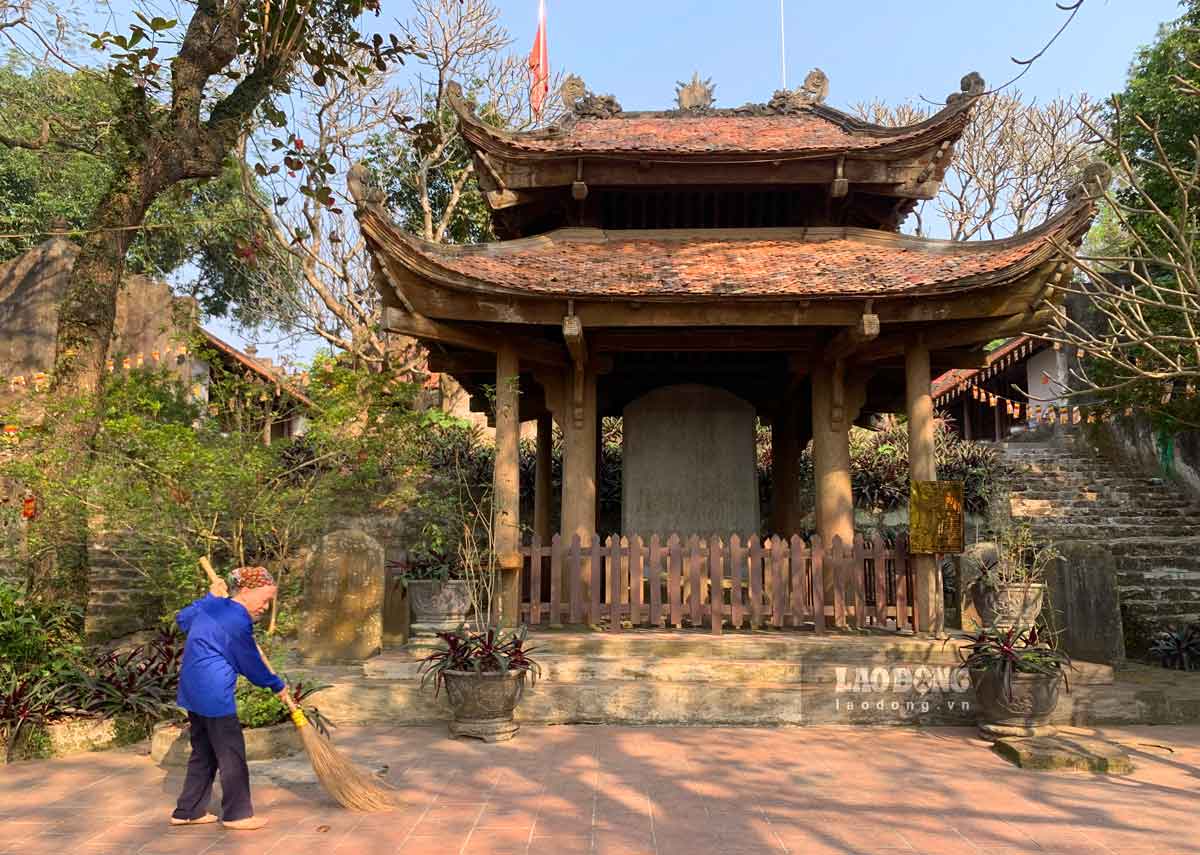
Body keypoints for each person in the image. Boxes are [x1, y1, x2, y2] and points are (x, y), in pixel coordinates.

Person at [169, 566, 289, 831]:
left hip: (193, 692)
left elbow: (183, 619)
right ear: (245, 592)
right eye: (265, 599)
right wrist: (276, 684)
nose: (266, 606)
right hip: (214, 696)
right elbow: (249, 662)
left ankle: (188, 811)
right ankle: (238, 815)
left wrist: (209, 598)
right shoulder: (235, 619)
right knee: (231, 755)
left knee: (204, 752)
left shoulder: (213, 608)